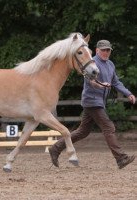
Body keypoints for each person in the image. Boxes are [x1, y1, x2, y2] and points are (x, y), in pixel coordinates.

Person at [49, 39, 136, 169]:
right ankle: (121, 158)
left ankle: (55, 148)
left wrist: (128, 93)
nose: (106, 52)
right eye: (103, 50)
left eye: (108, 50)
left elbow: (116, 82)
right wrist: (102, 85)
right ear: (97, 50)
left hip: (98, 102)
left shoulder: (110, 64)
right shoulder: (91, 62)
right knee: (108, 127)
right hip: (92, 101)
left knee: (83, 131)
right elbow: (91, 81)